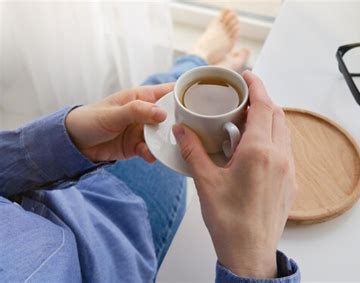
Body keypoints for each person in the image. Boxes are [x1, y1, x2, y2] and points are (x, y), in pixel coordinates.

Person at [0, 10, 300, 283]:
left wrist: (65, 138)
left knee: (149, 101)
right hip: (124, 251)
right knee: (159, 104)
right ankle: (199, 59)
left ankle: (198, 57)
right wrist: (253, 264)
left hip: (75, 200)